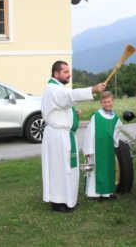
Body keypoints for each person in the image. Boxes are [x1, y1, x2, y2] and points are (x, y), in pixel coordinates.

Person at [41, 60, 106, 212]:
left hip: (63, 135)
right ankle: (58, 203)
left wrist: (72, 113)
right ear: (56, 73)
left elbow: (62, 107)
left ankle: (68, 200)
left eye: (69, 71)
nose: (69, 74)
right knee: (59, 169)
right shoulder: (54, 89)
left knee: (67, 168)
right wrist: (93, 89)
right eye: (65, 72)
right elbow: (70, 96)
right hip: (58, 136)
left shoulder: (57, 89)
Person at [82, 91, 122, 200]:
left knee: (109, 168)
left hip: (108, 148)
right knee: (97, 169)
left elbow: (117, 130)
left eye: (109, 101)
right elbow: (90, 133)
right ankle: (95, 194)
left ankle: (107, 193)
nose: (107, 104)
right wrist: (88, 149)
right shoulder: (96, 116)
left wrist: (115, 142)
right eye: (105, 102)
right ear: (101, 103)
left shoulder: (115, 117)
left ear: (112, 102)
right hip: (97, 148)